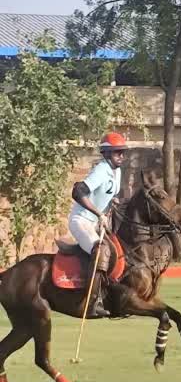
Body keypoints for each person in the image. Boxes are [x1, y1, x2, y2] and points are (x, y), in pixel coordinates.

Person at [67, 132, 129, 317]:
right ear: (107, 154)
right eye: (117, 152)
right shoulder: (101, 169)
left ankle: (112, 296)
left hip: (95, 223)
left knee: (118, 251)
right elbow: (78, 192)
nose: (121, 156)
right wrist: (98, 213)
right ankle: (92, 301)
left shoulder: (116, 171)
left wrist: (113, 202)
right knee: (101, 250)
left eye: (122, 152)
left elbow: (108, 193)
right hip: (81, 221)